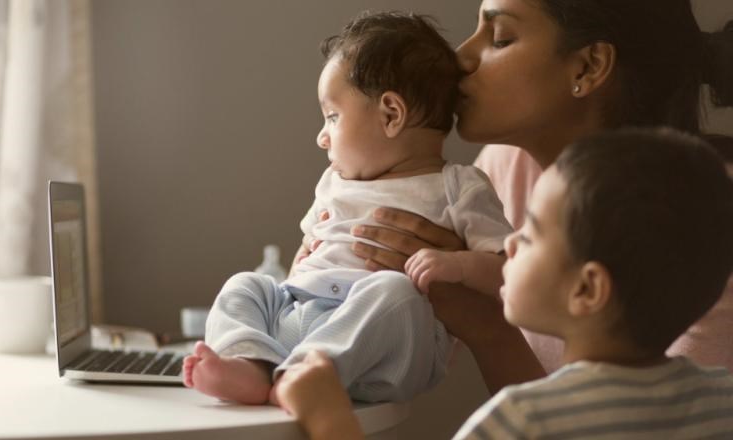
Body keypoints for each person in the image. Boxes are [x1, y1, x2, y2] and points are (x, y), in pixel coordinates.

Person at [292, 0, 733, 391]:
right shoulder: (501, 169)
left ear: (587, 66)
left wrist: (483, 321)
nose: (461, 57)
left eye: (500, 37)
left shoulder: (706, 224)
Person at [276, 128, 733, 439]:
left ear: (587, 290)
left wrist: (329, 417)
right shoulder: (721, 400)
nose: (509, 243)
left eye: (530, 233)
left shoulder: (522, 420)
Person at [182, 11, 513, 405]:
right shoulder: (333, 182)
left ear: (391, 114)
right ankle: (252, 364)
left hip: (382, 346)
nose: (322, 137)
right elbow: (306, 254)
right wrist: (296, 273)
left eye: (333, 117)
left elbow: (508, 271)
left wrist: (457, 266)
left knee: (395, 291)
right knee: (245, 285)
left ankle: (302, 376)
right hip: (301, 319)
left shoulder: (459, 186)